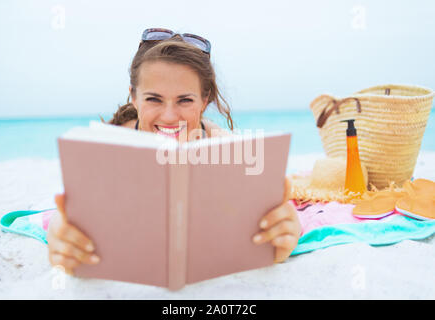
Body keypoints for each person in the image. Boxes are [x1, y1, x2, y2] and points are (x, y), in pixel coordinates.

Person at [47, 28, 301, 275]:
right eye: (154, 99)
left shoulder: (223, 146)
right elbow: (71, 214)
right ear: (134, 98)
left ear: (204, 101)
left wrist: (283, 236)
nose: (169, 117)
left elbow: (263, 216)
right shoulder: (110, 145)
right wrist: (61, 234)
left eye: (185, 100)